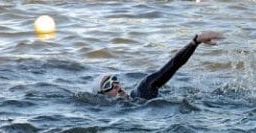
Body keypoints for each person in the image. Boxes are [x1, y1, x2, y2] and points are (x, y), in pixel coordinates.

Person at [92, 31, 224, 99]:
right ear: (102, 96)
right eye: (108, 84)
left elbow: (173, 66)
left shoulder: (143, 89)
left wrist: (195, 41)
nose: (115, 84)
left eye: (115, 80)